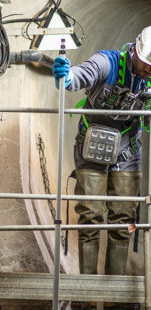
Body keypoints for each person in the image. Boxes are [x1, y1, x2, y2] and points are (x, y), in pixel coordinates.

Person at [53, 26, 151, 310]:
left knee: (122, 223)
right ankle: (84, 296)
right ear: (135, 51)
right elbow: (81, 76)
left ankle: (116, 299)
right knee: (92, 217)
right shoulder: (108, 63)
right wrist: (68, 76)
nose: (148, 72)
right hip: (92, 150)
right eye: (147, 65)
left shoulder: (150, 78)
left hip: (128, 152)